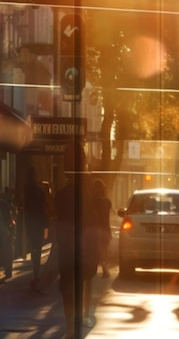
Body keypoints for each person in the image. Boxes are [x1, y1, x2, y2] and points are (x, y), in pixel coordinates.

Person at [54, 143, 100, 338]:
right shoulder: (86, 196)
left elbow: (59, 226)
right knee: (77, 286)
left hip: (69, 250)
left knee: (68, 289)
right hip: (78, 250)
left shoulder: (63, 196)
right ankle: (75, 326)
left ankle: (72, 328)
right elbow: (91, 226)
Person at [92, 179, 112, 279]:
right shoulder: (107, 201)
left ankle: (98, 268)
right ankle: (105, 269)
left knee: (97, 250)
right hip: (106, 228)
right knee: (104, 250)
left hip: (97, 228)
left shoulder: (94, 201)